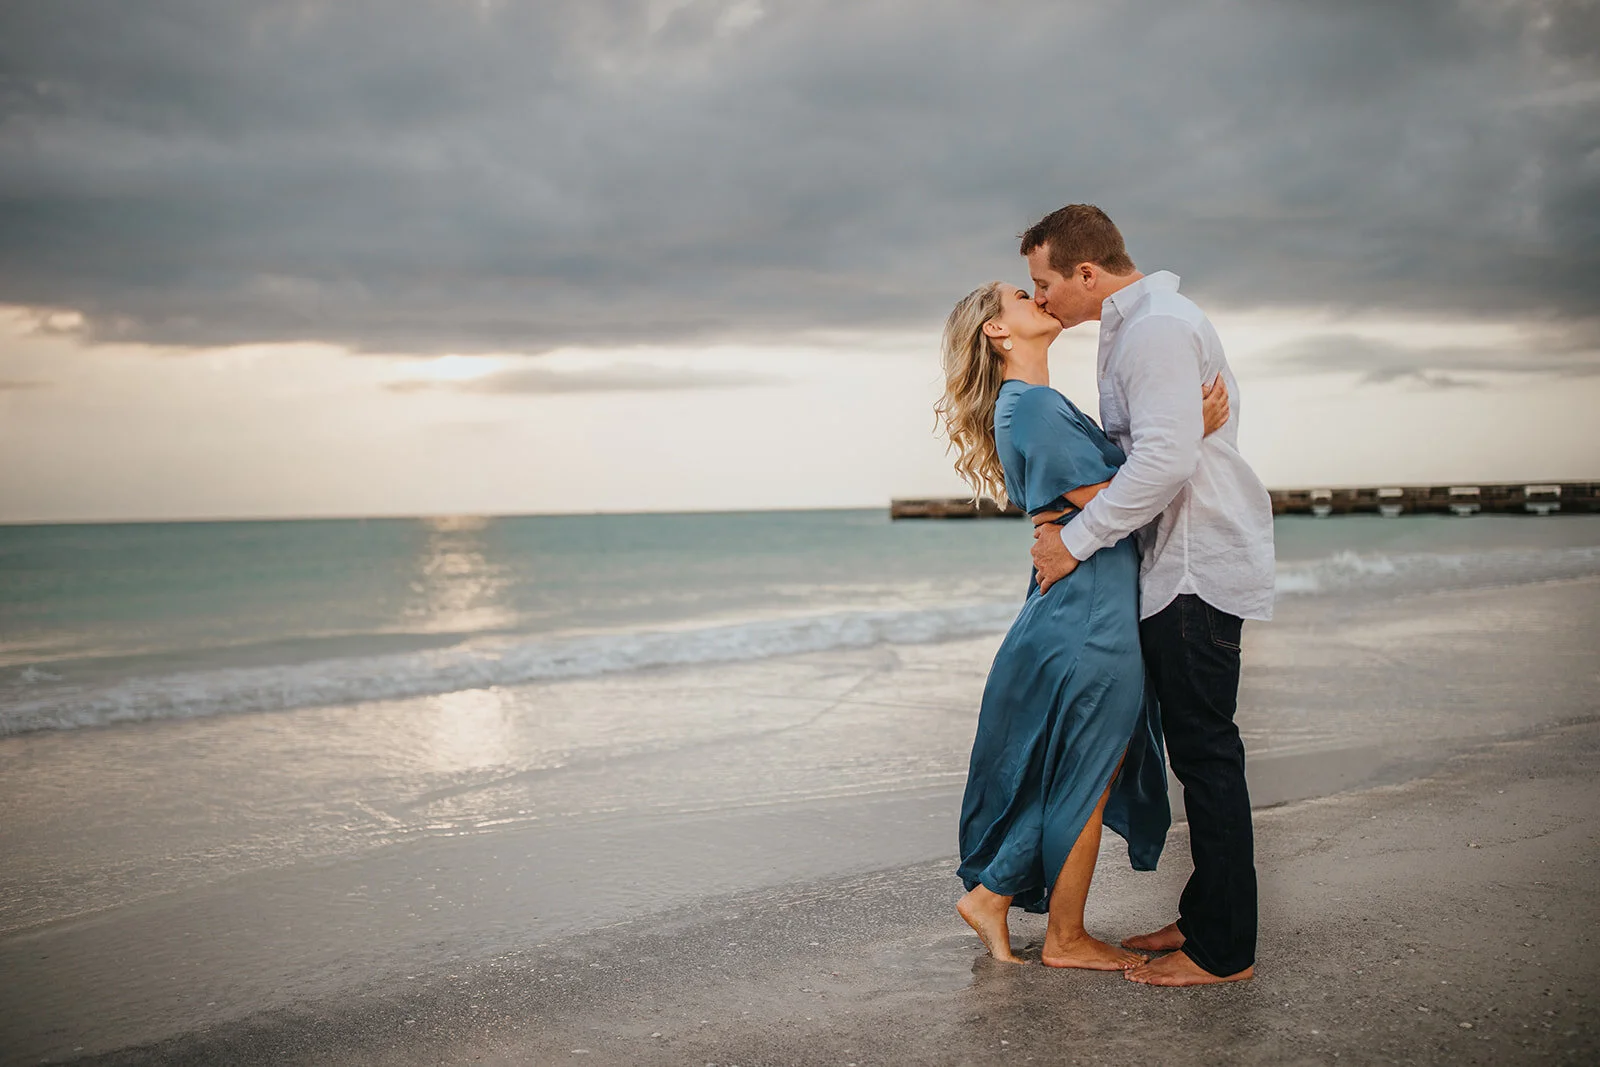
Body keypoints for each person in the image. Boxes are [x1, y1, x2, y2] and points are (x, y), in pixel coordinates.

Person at [936, 281, 1230, 969]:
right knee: (1091, 768)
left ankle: (995, 894)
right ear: (997, 333)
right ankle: (1060, 934)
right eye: (1019, 294)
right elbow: (1124, 498)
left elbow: (1112, 495)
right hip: (1090, 611)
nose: (1035, 295)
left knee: (1088, 765)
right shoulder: (1031, 406)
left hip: (1088, 601)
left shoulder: (1035, 403)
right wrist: (1197, 431)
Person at [1023, 205, 1276, 987]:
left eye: (1045, 283)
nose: (1041, 301)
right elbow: (1158, 446)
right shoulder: (1135, 326)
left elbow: (1164, 461)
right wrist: (1175, 439)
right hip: (1173, 563)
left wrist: (1074, 540)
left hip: (1193, 566)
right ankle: (1205, 916)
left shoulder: (1156, 326)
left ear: (1087, 272)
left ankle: (1224, 949)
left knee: (1207, 756)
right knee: (1200, 755)